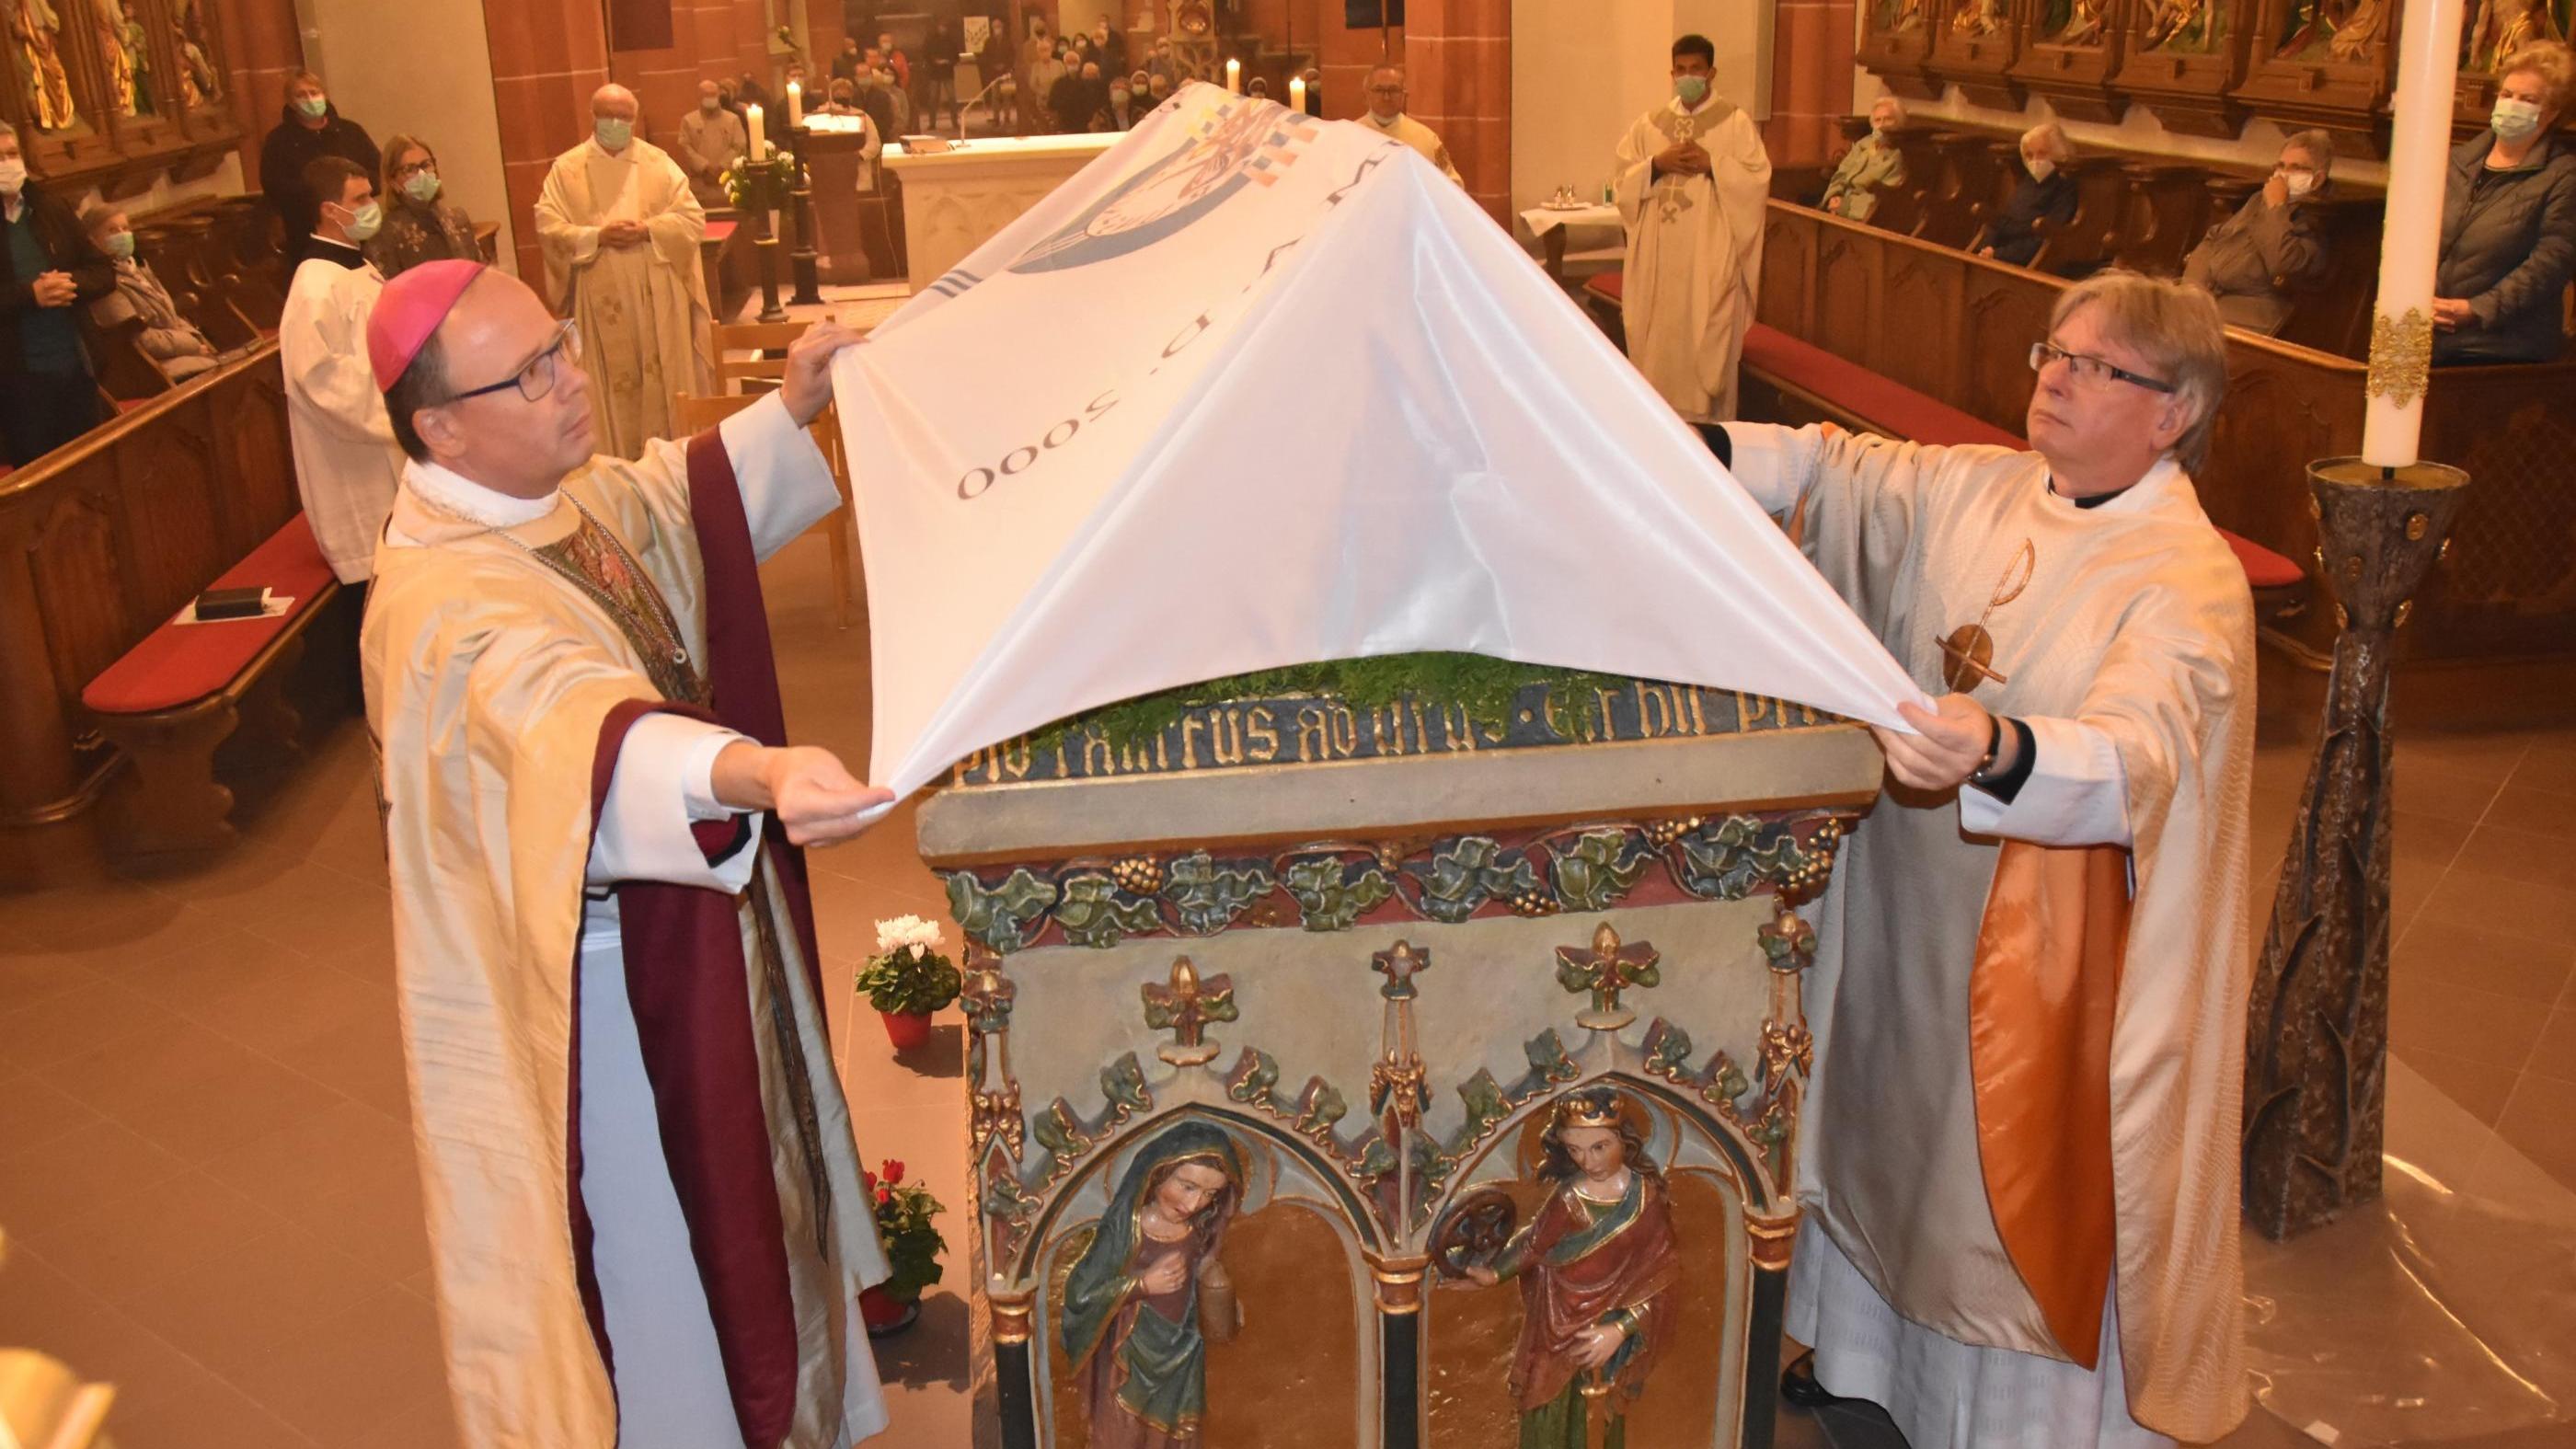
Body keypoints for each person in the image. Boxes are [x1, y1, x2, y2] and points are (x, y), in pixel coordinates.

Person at [1702, 270, 2253, 1449]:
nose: (2055, 376)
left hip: (2040, 943)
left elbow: (2145, 751)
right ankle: (1864, 1362)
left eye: (2097, 366)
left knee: (1983, 1190)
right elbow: (1830, 471)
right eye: (2055, 352)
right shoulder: (1983, 487)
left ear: (2173, 412)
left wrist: (2001, 745)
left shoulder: (2182, 576)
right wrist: (1670, 445)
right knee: (1882, 1127)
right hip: (1904, 900)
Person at [359, 259, 892, 1447]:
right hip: (599, 1006)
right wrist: (751, 769)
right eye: (532, 370)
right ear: (440, 423)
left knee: (747, 1217)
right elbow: (567, 734)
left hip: (680, 930)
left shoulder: (543, 497)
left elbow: (667, 502)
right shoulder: (440, 606)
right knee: (665, 1290)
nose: (572, 376)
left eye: (562, 344)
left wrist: (793, 401)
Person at [1461, 1087, 1679, 1447]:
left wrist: (1621, 1330)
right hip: (1554, 1330)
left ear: (1624, 1140)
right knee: (1548, 1419)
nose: (1588, 1162)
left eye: (1599, 1147)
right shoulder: (1568, 1198)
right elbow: (1533, 1245)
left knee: (1599, 1424)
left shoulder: (1645, 1202)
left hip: (1607, 1338)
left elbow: (1664, 1278)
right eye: (1575, 1151)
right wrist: (1494, 1273)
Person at [534, 84, 713, 461]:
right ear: (592, 117)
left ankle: (670, 469)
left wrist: (649, 229)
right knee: (610, 394)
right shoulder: (567, 169)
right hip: (598, 296)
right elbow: (548, 226)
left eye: (625, 117)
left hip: (656, 294)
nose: (616, 124)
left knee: (661, 385)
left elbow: (692, 218)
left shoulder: (657, 162)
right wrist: (596, 236)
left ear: (635, 118)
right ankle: (614, 469)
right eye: (608, 116)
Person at [1613, 33, 1772, 421]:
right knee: (1658, 350)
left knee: (1705, 334)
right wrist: (1656, 164)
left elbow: (1757, 180)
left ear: (1711, 72)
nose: (1688, 76)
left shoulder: (1735, 124)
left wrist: (1713, 163)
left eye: (1696, 69)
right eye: (1681, 70)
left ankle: (1709, 440)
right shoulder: (1649, 125)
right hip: (1659, 256)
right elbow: (1621, 182)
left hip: (1708, 254)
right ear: (1671, 73)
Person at [1060, 1122, 1244, 1447]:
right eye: (1187, 1186)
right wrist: (1141, 1285)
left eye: (1209, 1194)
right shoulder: (1127, 1230)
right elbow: (1082, 1294)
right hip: (1129, 1361)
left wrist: (1222, 1299)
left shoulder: (1197, 1230)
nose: (1195, 1203)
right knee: (1123, 1434)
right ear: (1158, 1173)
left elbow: (1202, 1263)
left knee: (1171, 1438)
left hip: (1181, 1356)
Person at [281, 155, 403, 584]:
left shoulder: (356, 268)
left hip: (386, 455)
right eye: (362, 197)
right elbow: (316, 378)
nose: (373, 204)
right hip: (359, 464)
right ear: (330, 210)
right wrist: (398, 398)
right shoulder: (316, 285)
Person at [2432, 40, 2576, 362]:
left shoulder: (2563, 175)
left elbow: (2552, 262)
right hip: (2432, 328)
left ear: (2551, 113)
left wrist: (2477, 309)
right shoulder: (2459, 160)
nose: (2512, 104)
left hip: (2504, 342)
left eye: (2528, 99)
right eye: (2507, 94)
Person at [0, 128, 110, 466]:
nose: (8, 164)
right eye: (0, 158)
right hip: (19, 379)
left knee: (92, 470)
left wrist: (71, 283)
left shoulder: (50, 207)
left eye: (12, 154)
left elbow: (103, 271)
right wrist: (30, 294)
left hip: (76, 365)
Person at [2179, 131, 2334, 333]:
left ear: (2317, 179)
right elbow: (2215, 237)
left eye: (2295, 168)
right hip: (2211, 297)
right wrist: (2193, 291)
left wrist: (2276, 208)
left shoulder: (2318, 214)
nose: (2283, 174)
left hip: (2253, 310)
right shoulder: (2259, 199)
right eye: (2280, 166)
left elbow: (2283, 262)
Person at [81, 202, 218, 383]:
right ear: (93, 240)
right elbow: (141, 340)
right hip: (147, 369)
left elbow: (172, 316)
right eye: (113, 231)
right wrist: (192, 344)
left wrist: (196, 340)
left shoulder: (137, 268)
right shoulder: (104, 285)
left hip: (177, 353)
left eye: (125, 228)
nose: (123, 235)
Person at [259, 69, 380, 270]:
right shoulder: (279, 141)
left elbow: (377, 172)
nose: (310, 98)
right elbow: (274, 186)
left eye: (314, 92)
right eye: (301, 94)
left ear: (324, 94)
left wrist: (355, 192)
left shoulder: (350, 132)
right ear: (290, 102)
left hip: (358, 225)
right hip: (307, 233)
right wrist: (318, 196)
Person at [370, 135, 481, 280]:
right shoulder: (385, 234)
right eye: (409, 169)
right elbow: (389, 292)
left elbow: (480, 274)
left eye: (425, 165)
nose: (421, 174)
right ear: (392, 181)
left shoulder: (457, 218)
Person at [1977, 121, 2078, 268]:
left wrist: (1999, 254)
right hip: (1998, 255)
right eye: (2030, 156)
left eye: (2042, 153)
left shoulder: (2065, 185)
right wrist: (1986, 249)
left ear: (2058, 153)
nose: (2035, 161)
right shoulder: (2029, 180)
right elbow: (2004, 221)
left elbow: (2046, 237)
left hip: (2030, 260)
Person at [1359, 65, 1464, 184]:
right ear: (1365, 95)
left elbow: (1452, 183)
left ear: (1404, 95)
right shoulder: (1349, 136)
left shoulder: (1427, 139)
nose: (1386, 97)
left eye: (1394, 90)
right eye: (1379, 90)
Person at [1820, 96, 1910, 223]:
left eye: (1888, 119)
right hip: (1837, 208)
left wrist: (1845, 206)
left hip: (1865, 218)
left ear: (1899, 124)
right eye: (1878, 120)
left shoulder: (1899, 156)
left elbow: (1885, 200)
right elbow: (1841, 174)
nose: (1882, 125)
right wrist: (1833, 197)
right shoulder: (1864, 145)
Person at [677, 78, 748, 212]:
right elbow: (685, 147)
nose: (711, 98)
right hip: (700, 184)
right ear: (699, 97)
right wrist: (705, 166)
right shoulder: (688, 121)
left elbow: (739, 145)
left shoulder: (732, 119)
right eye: (707, 95)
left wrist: (722, 166)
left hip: (728, 183)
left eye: (713, 95)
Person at [924, 19, 961, 130]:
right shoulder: (932, 40)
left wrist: (948, 62)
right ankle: (933, 123)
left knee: (951, 97)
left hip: (945, 71)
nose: (942, 29)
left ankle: (954, 121)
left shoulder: (950, 41)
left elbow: (956, 57)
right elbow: (926, 54)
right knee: (933, 99)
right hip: (936, 72)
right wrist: (935, 61)